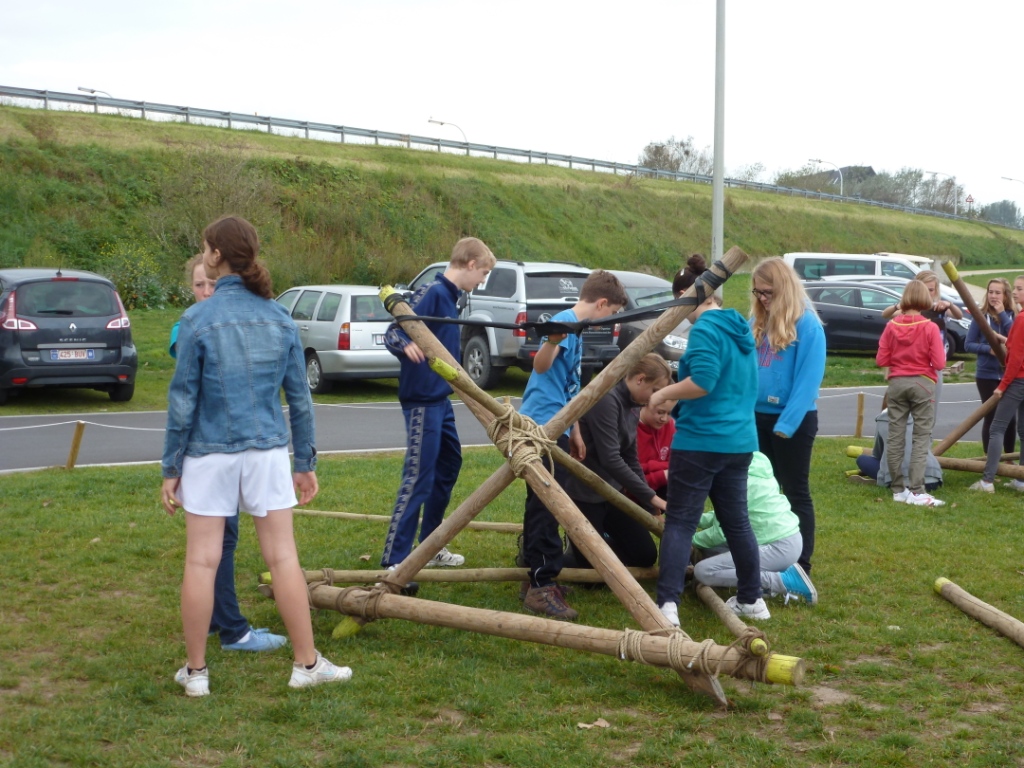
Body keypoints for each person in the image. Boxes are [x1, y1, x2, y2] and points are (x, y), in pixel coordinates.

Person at [162, 215, 350, 696]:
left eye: (206, 246)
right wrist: (305, 461)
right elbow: (300, 400)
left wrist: (171, 467)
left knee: (201, 561)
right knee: (283, 557)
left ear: (216, 255)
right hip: (266, 452)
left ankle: (197, 673)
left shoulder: (196, 319)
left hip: (207, 454)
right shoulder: (279, 318)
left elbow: (183, 402)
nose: (204, 252)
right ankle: (306, 665)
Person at [168, 255, 285, 654]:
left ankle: (224, 627)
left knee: (219, 548)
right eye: (199, 286)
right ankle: (230, 628)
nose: (206, 292)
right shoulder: (191, 325)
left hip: (232, 454)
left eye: (211, 285)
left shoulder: (210, 322)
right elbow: (185, 399)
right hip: (209, 454)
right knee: (213, 550)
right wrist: (174, 465)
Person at [649, 291, 765, 625]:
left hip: (701, 440)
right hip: (739, 441)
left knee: (681, 521)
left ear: (686, 299)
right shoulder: (740, 328)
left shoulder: (703, 329)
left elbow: (703, 381)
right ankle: (751, 598)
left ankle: (668, 605)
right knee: (736, 521)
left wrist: (663, 394)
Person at [381, 238, 495, 570]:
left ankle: (429, 545)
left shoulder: (452, 299)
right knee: (418, 477)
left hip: (441, 400)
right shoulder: (432, 293)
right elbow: (393, 331)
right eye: (484, 273)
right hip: (421, 401)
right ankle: (395, 560)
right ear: (471, 264)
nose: (482, 281)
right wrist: (405, 345)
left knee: (449, 466)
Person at [519, 270, 627, 620]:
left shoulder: (577, 330)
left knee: (546, 501)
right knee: (547, 504)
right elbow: (541, 365)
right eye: (609, 313)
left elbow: (569, 387)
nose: (608, 320)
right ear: (601, 303)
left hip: (560, 424)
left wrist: (576, 430)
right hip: (542, 425)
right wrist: (551, 340)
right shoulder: (565, 323)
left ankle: (536, 576)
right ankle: (540, 583)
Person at [749, 258, 826, 575]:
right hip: (755, 417)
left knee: (795, 492)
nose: (762, 298)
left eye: (767, 292)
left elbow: (808, 381)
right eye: (757, 292)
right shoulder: (755, 319)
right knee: (759, 491)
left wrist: (787, 424)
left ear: (783, 288)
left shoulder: (808, 324)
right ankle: (762, 550)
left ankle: (801, 564)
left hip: (792, 423)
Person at [564, 354, 670, 572]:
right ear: (640, 379)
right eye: (655, 390)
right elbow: (610, 458)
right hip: (584, 494)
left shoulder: (633, 403)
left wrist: (650, 505)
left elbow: (630, 457)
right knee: (590, 573)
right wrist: (652, 497)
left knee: (645, 556)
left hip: (611, 493)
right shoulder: (606, 398)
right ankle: (545, 556)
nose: (656, 398)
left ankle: (600, 548)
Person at [693, 451, 816, 605]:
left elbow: (721, 533)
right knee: (712, 551)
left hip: (777, 547)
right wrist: (694, 520)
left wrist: (688, 538)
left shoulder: (733, 481)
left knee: (704, 571)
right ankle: (773, 576)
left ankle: (782, 580)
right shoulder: (755, 463)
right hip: (789, 540)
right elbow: (723, 515)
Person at [876, 280, 946, 506]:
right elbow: (940, 362)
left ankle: (898, 489)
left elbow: (881, 359)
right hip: (923, 383)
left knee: (895, 436)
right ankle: (917, 489)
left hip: (896, 383)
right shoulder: (929, 327)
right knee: (920, 437)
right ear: (925, 299)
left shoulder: (892, 326)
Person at [881, 269, 962, 418]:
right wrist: (899, 306)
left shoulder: (939, 308)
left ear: (936, 290)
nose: (927, 293)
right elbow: (886, 314)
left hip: (932, 365)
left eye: (931, 290)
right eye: (923, 289)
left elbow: (959, 314)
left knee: (929, 413)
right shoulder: (910, 309)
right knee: (902, 414)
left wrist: (949, 304)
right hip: (908, 365)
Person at [970, 275, 1024, 494]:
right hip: (1011, 377)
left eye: (1020, 289)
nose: (1016, 293)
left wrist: (1003, 385)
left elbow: (1016, 359)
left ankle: (987, 481)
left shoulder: (1019, 318)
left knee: (997, 427)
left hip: (1017, 379)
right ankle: (1020, 480)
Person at [965, 278, 1015, 455]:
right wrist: (988, 349)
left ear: (1006, 295)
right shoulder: (980, 316)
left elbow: (1016, 338)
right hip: (986, 374)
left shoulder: (1012, 315)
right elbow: (968, 344)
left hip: (1009, 373)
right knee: (991, 415)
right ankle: (989, 459)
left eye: (998, 292)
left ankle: (1008, 459)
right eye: (991, 292)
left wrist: (1002, 314)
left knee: (1010, 417)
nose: (993, 296)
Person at [847, 408, 943, 491]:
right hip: (933, 479)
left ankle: (889, 479)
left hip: (905, 483)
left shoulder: (883, 420)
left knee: (862, 459)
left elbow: (878, 455)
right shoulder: (920, 417)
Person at [637, 394, 677, 500]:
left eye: (669, 413)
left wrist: (651, 468)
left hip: (657, 487)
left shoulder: (670, 426)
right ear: (645, 404)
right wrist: (662, 475)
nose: (664, 419)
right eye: (660, 412)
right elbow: (630, 474)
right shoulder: (630, 428)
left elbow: (677, 463)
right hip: (632, 492)